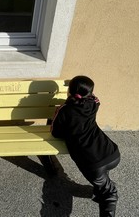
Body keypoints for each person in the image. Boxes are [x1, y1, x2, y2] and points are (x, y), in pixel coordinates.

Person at [51, 75, 120, 217]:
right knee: (102, 182)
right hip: (111, 153)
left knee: (109, 194)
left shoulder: (65, 110)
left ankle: (105, 197)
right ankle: (100, 188)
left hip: (94, 163)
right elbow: (94, 98)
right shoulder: (94, 105)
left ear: (69, 92)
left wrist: (57, 113)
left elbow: (55, 133)